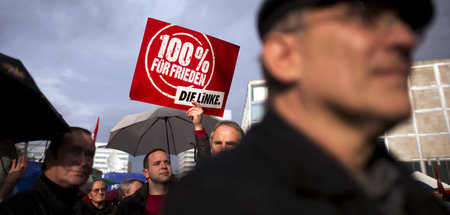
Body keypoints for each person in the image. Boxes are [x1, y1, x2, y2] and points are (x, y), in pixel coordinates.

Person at [163, 0, 449, 214]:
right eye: (367, 19)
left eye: (407, 24)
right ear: (284, 56)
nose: (405, 39)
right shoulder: (214, 198)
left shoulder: (415, 200)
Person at [0, 127, 96, 215]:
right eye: (74, 151)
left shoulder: (86, 211)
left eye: (89, 155)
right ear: (50, 156)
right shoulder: (16, 209)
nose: (83, 162)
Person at [116, 149, 174, 215]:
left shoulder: (184, 200)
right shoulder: (129, 204)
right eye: (157, 163)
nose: (164, 166)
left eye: (167, 162)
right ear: (146, 173)